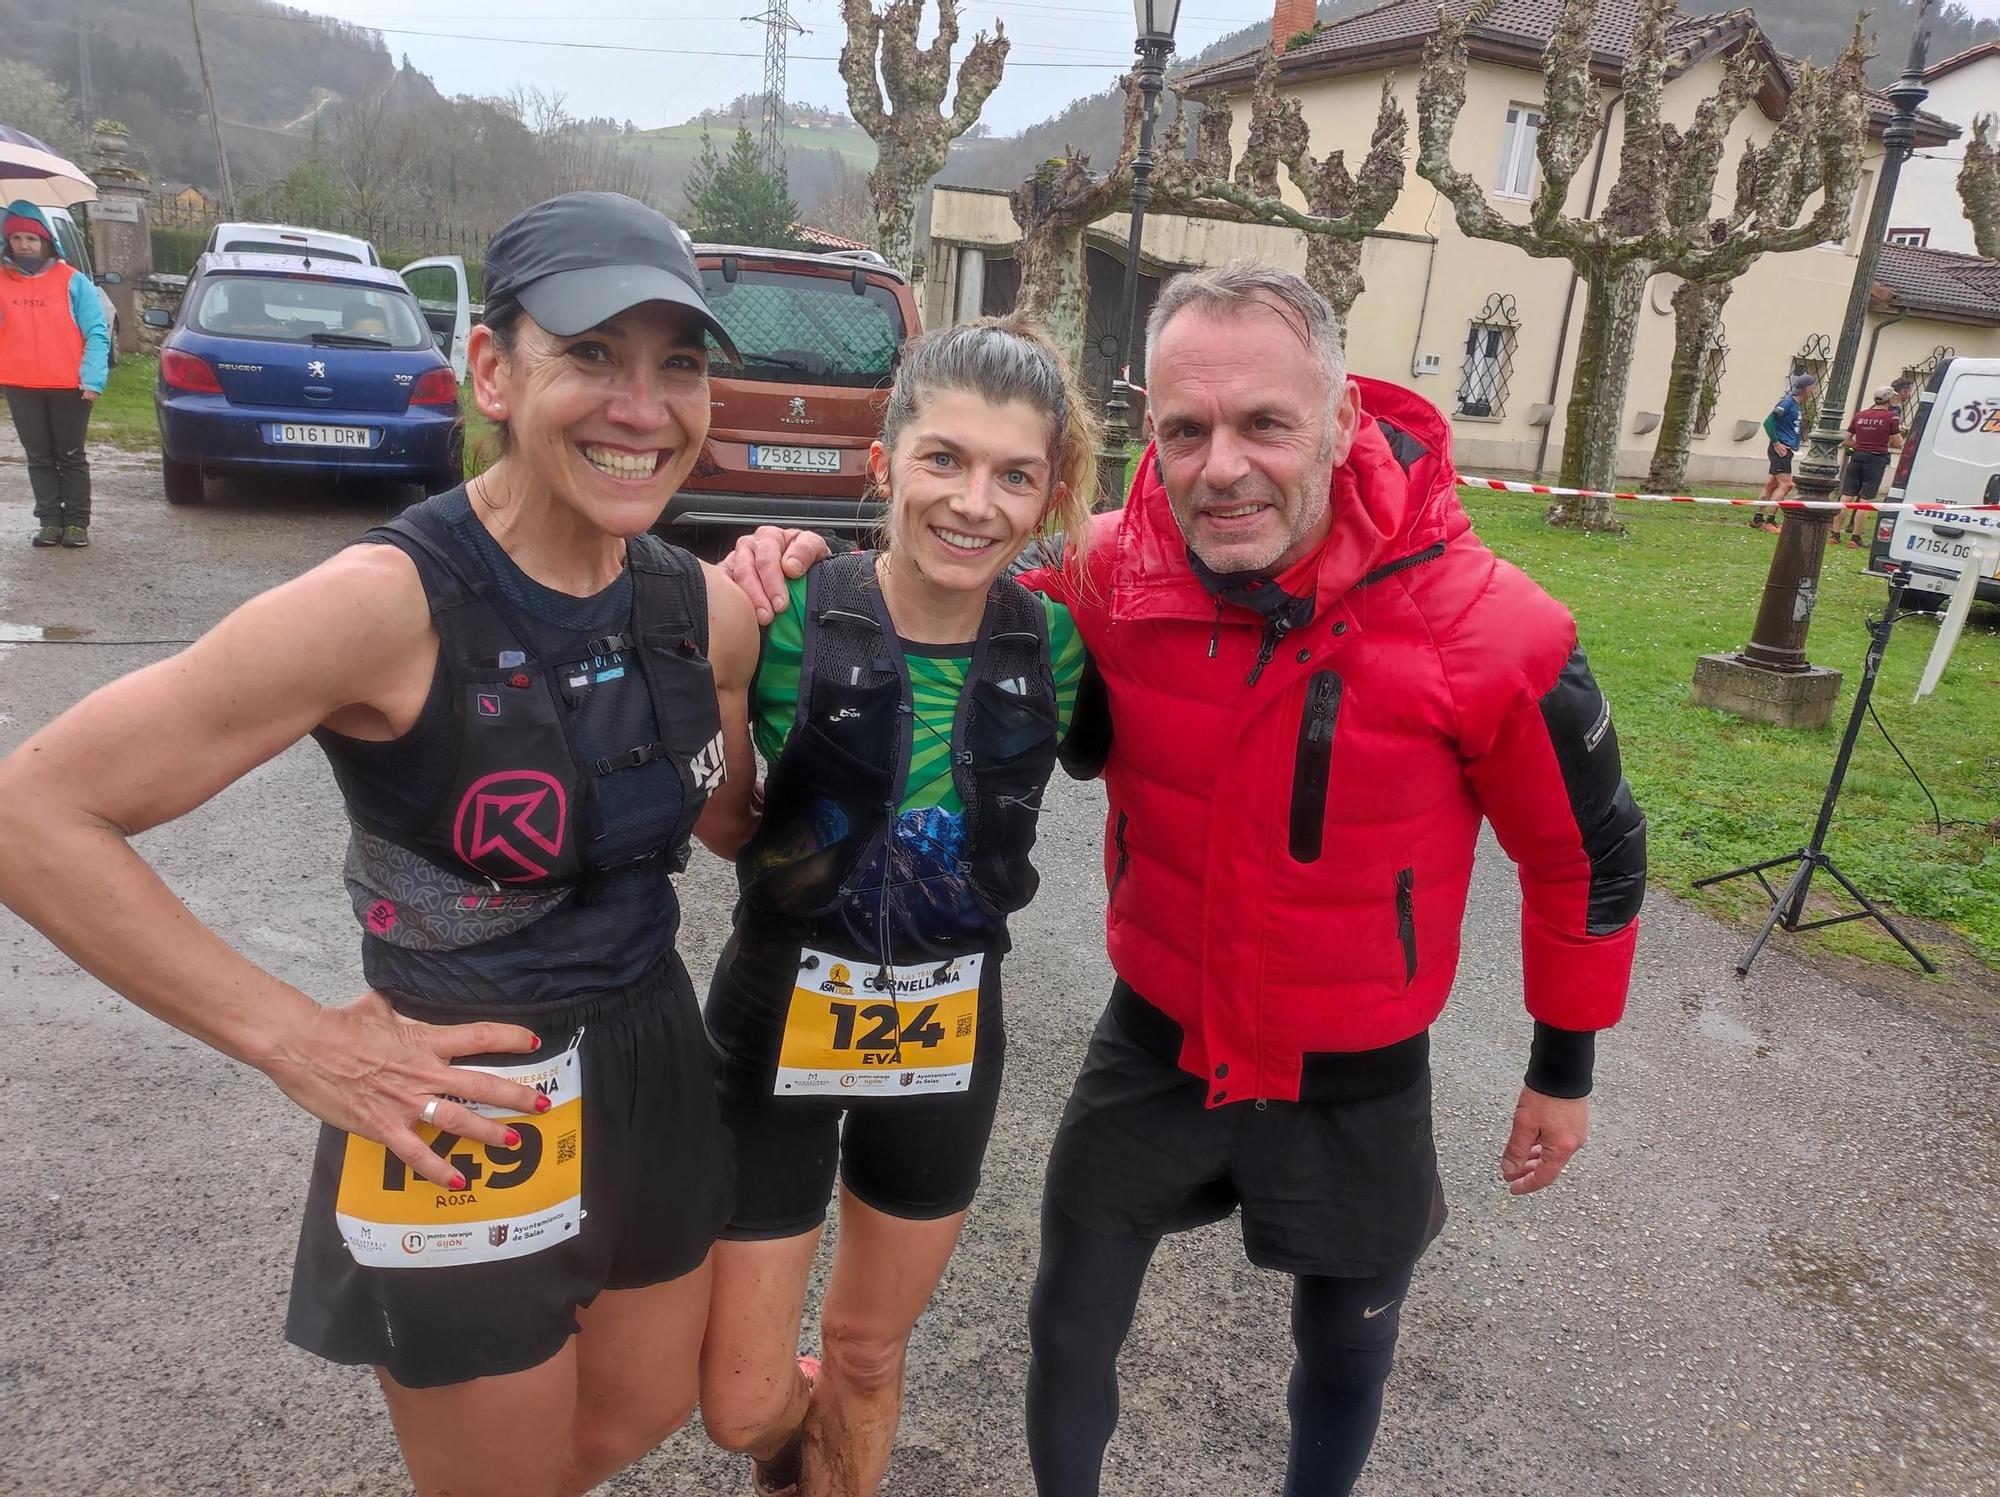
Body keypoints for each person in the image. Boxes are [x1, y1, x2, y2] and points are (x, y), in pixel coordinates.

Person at [724, 261, 1647, 1497]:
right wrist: (792, 564)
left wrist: (1561, 1065)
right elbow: (953, 583)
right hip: (1153, 1040)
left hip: (1360, 1068)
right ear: (1148, 436)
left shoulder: (1488, 625)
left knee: (1344, 1352)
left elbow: (1582, 852)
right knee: (1066, 1328)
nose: (1222, 465)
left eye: (1264, 422)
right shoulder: (1108, 577)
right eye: (1184, 430)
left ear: (1337, 418)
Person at [0, 192, 763, 1497]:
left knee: (636, 1413)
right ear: (492, 372)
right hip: (461, 1087)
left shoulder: (700, 607)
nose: (643, 405)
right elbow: (35, 814)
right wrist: (298, 1040)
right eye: (591, 354)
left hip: (654, 1052)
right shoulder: (384, 605)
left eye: (676, 364)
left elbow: (734, 821)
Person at [696, 316, 1103, 1497]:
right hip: (774, 1022)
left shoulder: (1062, 649)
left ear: (1047, 494)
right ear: (883, 464)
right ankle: (790, 1448)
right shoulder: (780, 616)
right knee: (736, 1404)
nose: (973, 502)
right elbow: (719, 819)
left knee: (870, 1351)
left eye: (1012, 474)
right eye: (942, 459)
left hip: (945, 1036)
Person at [1, 199, 110, 548]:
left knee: (70, 455)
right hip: (20, 384)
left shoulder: (72, 281)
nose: (24, 245)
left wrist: (92, 379)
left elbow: (96, 331)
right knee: (39, 457)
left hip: (69, 386)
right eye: (16, 238)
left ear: (46, 241)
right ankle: (49, 521)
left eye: (31, 239)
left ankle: (77, 523)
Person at [1834, 385, 1904, 548]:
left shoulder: (1860, 415)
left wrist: (1859, 445)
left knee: (1846, 497)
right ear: (1889, 399)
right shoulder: (1891, 418)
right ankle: (1855, 538)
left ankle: (1835, 534)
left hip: (1857, 458)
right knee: (1865, 500)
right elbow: (1898, 442)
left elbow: (1845, 440)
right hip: (1876, 460)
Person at [1751, 371, 1816, 532]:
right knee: (1786, 484)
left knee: (1772, 484)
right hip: (1781, 450)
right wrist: (1776, 442)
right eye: (1812, 387)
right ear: (1806, 388)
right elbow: (1768, 422)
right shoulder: (1786, 403)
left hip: (1786, 448)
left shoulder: (1795, 405)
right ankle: (1770, 521)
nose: (1813, 390)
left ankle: (1757, 518)